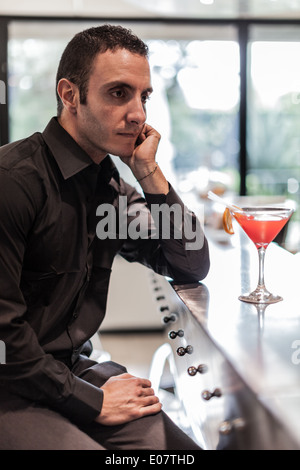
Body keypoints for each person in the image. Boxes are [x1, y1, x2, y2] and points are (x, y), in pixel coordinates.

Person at [0, 24, 210, 450]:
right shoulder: (13, 181)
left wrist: (150, 174)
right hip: (12, 384)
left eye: (143, 96)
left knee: (177, 451)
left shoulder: (109, 189)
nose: (138, 114)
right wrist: (89, 401)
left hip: (69, 368)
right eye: (119, 93)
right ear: (70, 95)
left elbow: (189, 262)